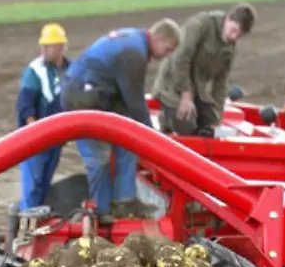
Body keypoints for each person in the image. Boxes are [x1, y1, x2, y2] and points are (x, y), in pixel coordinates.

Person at [60, 18, 182, 223]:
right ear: (159, 39)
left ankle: (124, 201)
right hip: (82, 96)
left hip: (100, 92)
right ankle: (102, 210)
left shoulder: (133, 38)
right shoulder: (133, 54)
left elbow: (131, 103)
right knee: (100, 156)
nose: (167, 56)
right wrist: (155, 140)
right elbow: (135, 102)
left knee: (129, 139)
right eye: (168, 49)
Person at [152, 3, 257, 137]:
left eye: (239, 35)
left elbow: (220, 82)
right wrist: (186, 95)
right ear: (227, 19)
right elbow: (180, 59)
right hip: (173, 84)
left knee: (208, 127)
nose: (234, 37)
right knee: (186, 127)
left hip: (196, 88)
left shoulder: (229, 47)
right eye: (233, 30)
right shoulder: (201, 25)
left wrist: (217, 118)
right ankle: (166, 118)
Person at [16, 23, 72, 211]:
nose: (44, 49)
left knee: (44, 184)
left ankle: (36, 222)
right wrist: (34, 132)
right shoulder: (35, 71)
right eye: (44, 45)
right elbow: (26, 104)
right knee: (32, 187)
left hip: (56, 139)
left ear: (61, 47)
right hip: (35, 140)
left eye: (49, 46)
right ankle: (26, 222)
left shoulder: (71, 70)